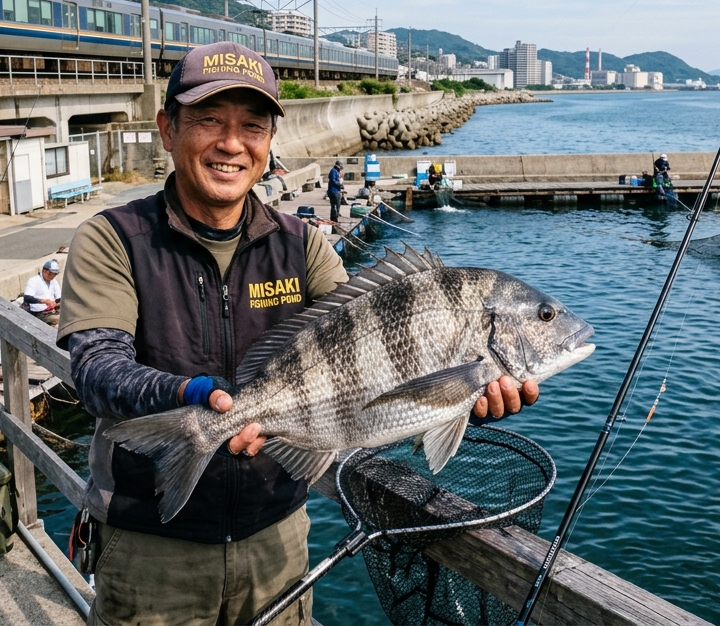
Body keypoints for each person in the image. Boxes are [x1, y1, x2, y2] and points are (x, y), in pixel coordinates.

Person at [56, 41, 540, 626]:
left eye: (251, 126)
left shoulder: (305, 247)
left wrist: (463, 399)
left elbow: (377, 365)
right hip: (150, 542)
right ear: (167, 128)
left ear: (267, 144)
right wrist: (191, 400)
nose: (231, 143)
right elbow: (96, 370)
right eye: (209, 120)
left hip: (277, 537)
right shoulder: (113, 240)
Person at [23, 259, 61, 326]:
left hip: (52, 310)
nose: (52, 276)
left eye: (54, 274)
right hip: (39, 312)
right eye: (50, 274)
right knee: (61, 320)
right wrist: (44, 301)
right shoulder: (34, 280)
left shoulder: (53, 281)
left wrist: (56, 302)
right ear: (44, 271)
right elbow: (27, 298)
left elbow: (59, 297)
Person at [327, 159, 345, 223]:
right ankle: (334, 219)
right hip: (334, 192)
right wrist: (340, 185)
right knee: (335, 206)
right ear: (338, 165)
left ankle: (334, 218)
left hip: (335, 191)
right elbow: (333, 181)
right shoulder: (334, 171)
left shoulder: (336, 171)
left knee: (335, 206)